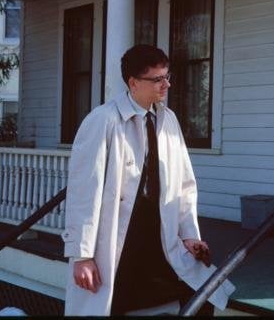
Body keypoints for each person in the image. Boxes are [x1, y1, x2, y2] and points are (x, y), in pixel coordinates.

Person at [62, 44, 235, 316]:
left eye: (167, 76)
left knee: (203, 295)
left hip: (159, 235)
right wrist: (81, 255)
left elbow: (184, 185)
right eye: (157, 79)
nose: (166, 85)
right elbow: (84, 192)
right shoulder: (103, 121)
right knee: (115, 306)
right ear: (133, 82)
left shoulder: (168, 120)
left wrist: (190, 235)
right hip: (121, 240)